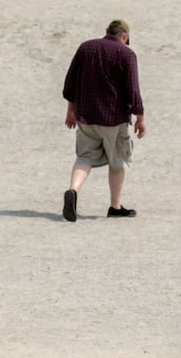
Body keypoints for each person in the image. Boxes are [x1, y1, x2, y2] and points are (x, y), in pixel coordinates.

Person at [60, 19, 146, 221]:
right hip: (113, 118)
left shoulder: (86, 47)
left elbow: (70, 82)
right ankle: (115, 206)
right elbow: (133, 90)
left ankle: (73, 190)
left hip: (86, 116)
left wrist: (70, 110)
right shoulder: (126, 54)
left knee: (85, 157)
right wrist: (140, 117)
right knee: (117, 161)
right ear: (124, 36)